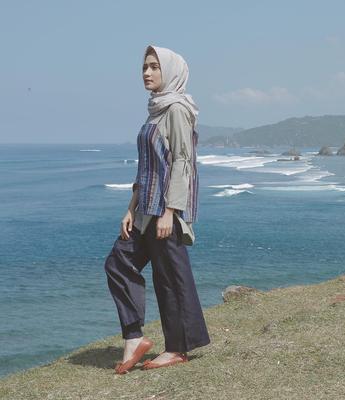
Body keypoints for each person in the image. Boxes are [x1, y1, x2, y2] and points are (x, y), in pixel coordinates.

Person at [104, 44, 210, 374]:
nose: (147, 72)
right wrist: (130, 208)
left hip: (165, 213)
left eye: (154, 67)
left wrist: (171, 211)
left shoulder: (176, 109)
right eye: (144, 67)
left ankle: (177, 348)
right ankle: (134, 338)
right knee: (118, 263)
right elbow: (147, 167)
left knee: (170, 280)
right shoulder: (156, 109)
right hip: (144, 211)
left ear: (171, 71)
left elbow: (183, 162)